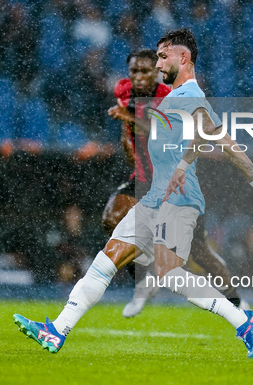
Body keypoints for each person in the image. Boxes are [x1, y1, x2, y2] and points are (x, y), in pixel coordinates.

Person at [13, 28, 253, 360]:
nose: (158, 61)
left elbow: (225, 142)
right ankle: (56, 331)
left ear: (183, 58)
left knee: (172, 274)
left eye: (163, 55)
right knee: (106, 260)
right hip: (155, 194)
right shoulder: (173, 96)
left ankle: (243, 321)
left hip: (178, 200)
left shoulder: (191, 96)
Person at [105, 48, 245, 318]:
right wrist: (127, 129)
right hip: (145, 178)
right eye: (134, 71)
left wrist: (129, 118)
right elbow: (129, 141)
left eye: (145, 71)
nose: (139, 77)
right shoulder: (124, 91)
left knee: (199, 252)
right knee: (113, 218)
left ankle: (237, 302)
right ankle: (144, 280)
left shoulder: (170, 98)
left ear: (157, 73)